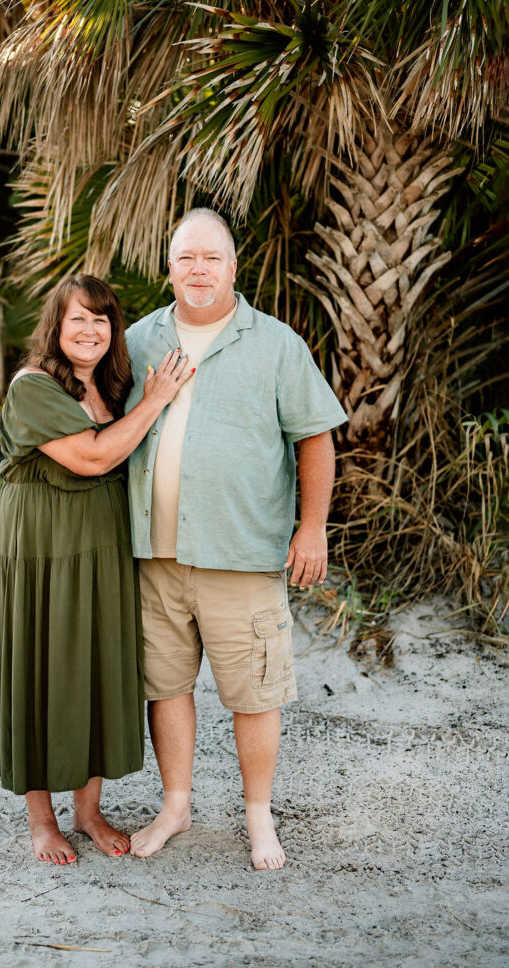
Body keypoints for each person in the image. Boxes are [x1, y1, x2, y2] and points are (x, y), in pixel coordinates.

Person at [124, 209, 347, 870]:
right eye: (186, 258)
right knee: (164, 686)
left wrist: (311, 528)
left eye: (211, 258)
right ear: (168, 267)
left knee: (254, 692)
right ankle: (175, 807)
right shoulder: (135, 340)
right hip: (152, 554)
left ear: (232, 266)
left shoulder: (275, 344)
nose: (198, 270)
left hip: (241, 554)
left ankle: (258, 819)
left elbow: (315, 438)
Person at [0, 274, 192, 866]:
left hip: (101, 546)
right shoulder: (33, 387)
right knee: (43, 670)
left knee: (95, 667)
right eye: (79, 318)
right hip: (41, 549)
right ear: (56, 324)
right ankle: (42, 821)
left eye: (102, 320)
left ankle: (88, 810)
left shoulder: (113, 386)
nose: (90, 330)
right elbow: (95, 456)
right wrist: (156, 400)